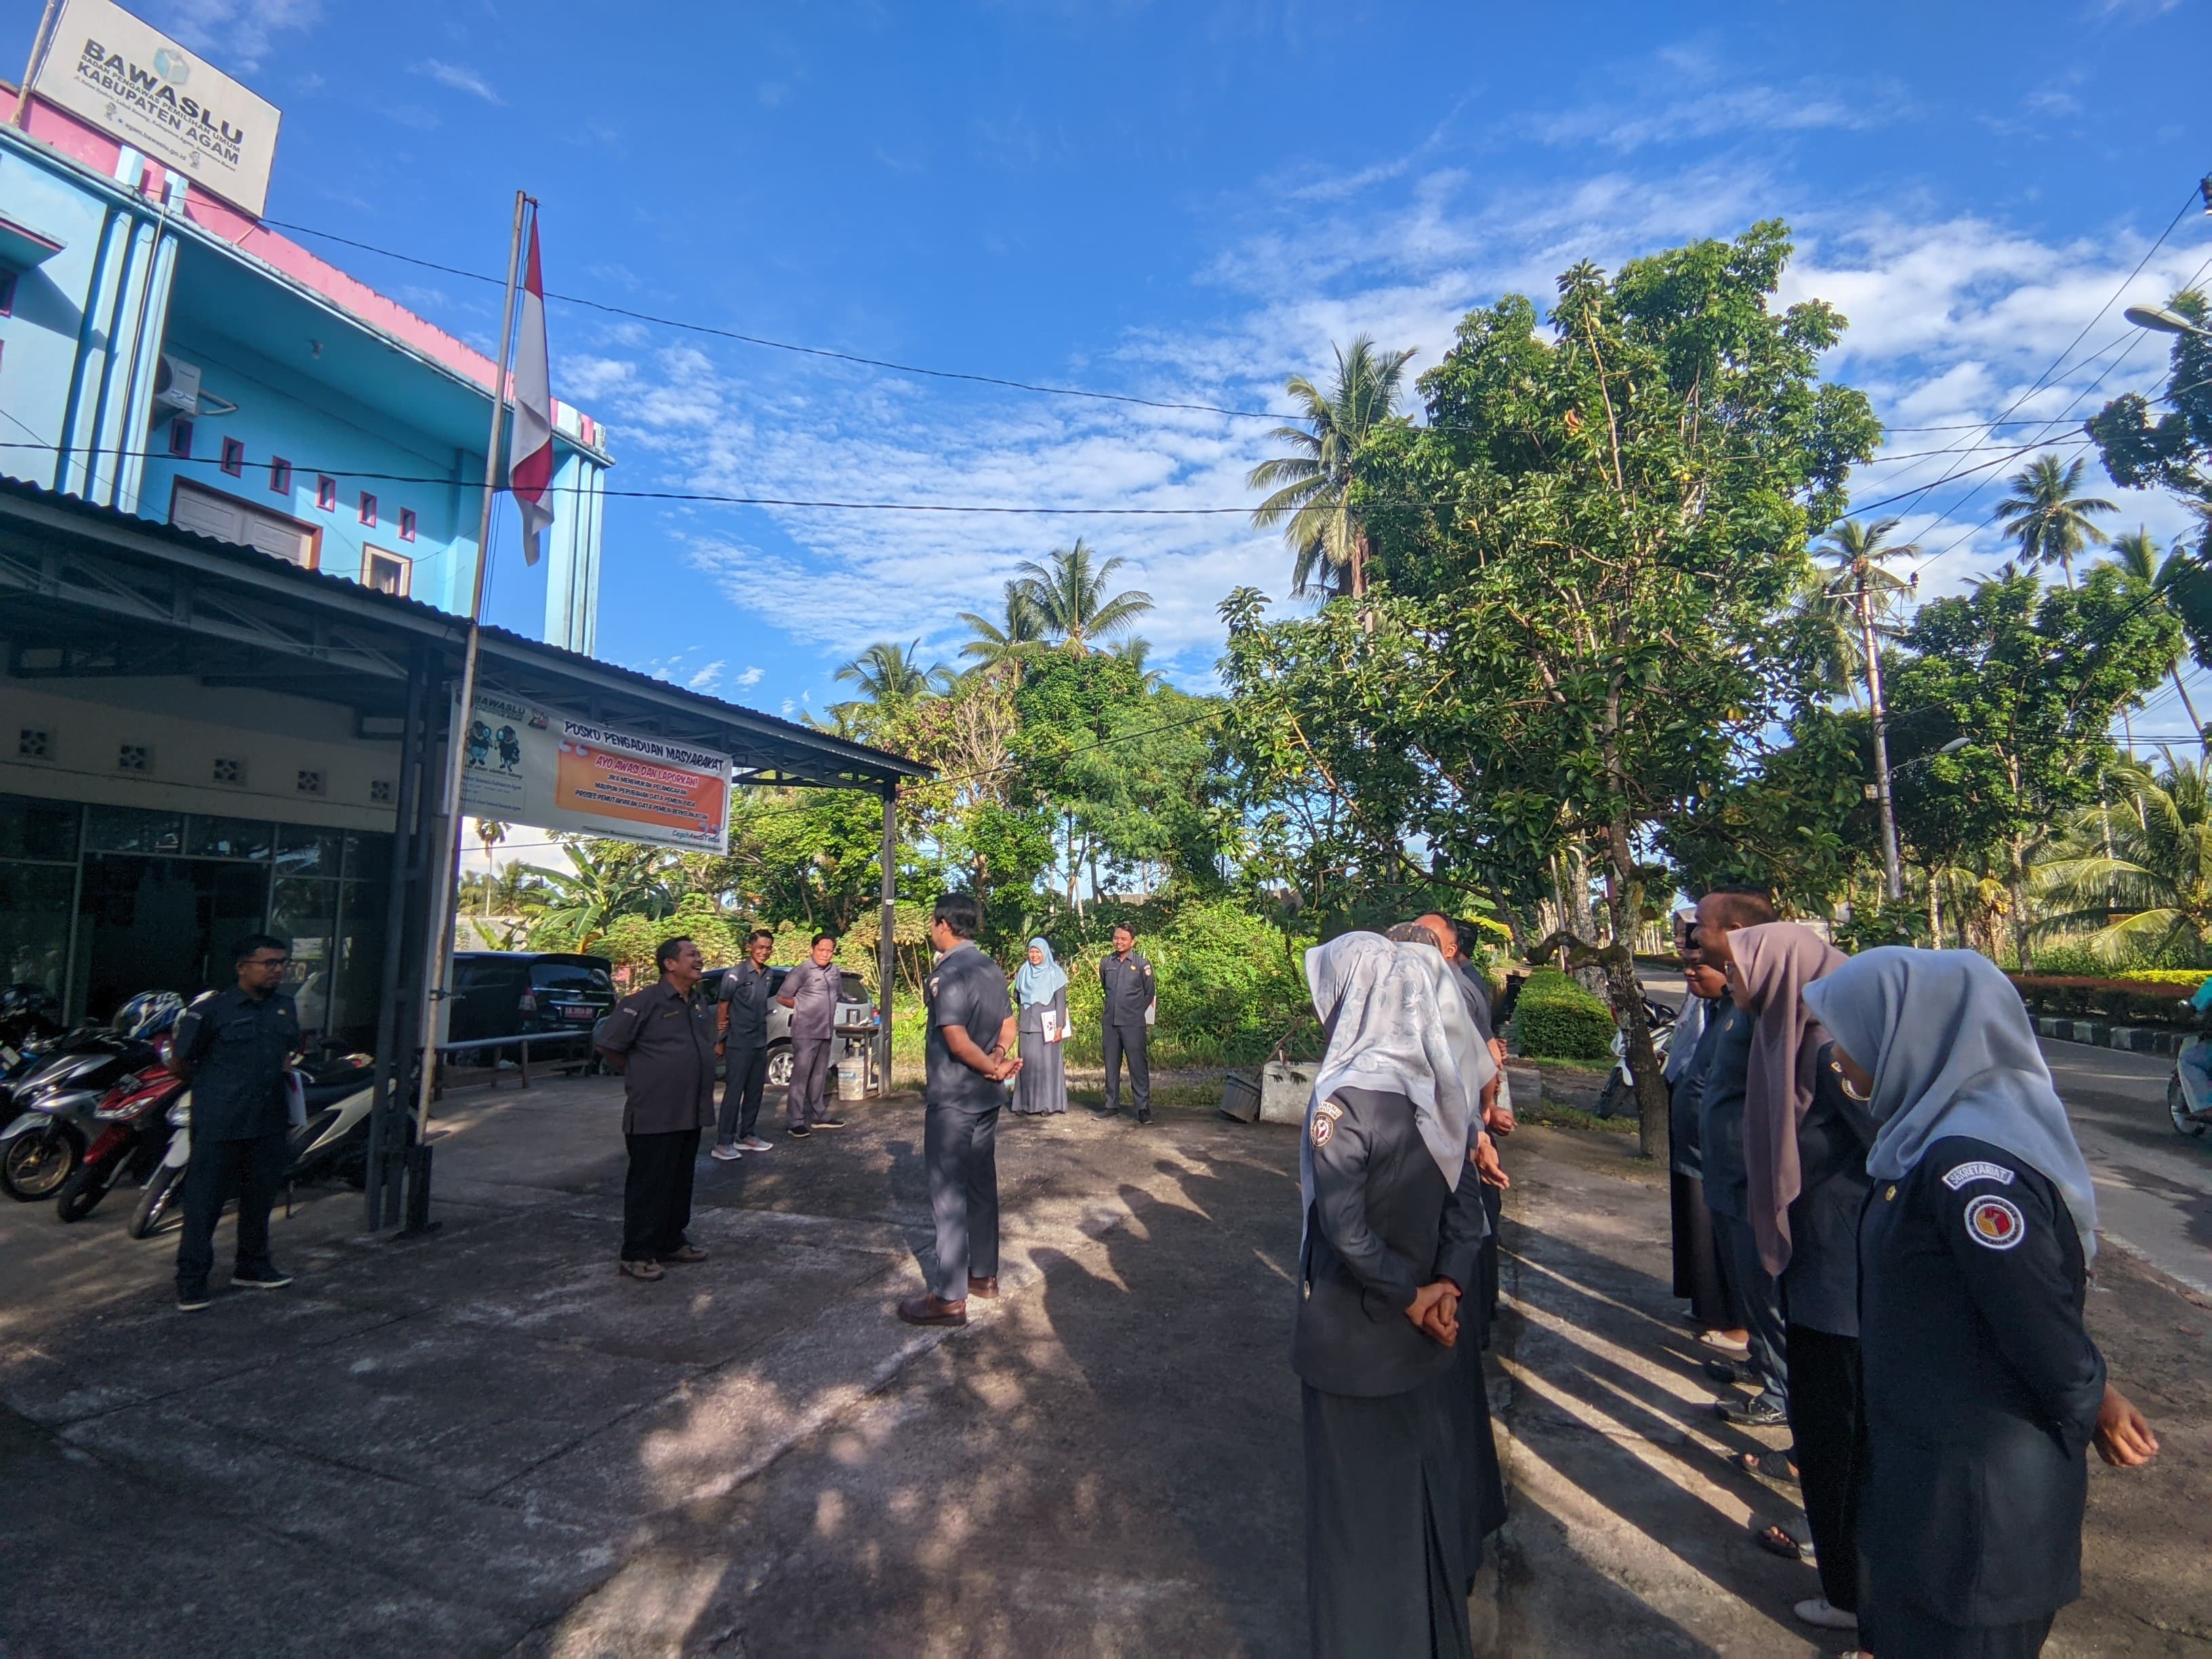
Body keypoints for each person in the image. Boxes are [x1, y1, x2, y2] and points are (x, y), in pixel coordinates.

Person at [1803, 948, 2161, 1659]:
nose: (1837, 1057)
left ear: (1915, 1037)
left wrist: (2093, 1398)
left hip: (1976, 1515)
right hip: (1932, 1482)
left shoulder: (1971, 1171)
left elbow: (2039, 1323)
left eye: (1852, 1037)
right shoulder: (1923, 1144)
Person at [1296, 932, 1495, 1659]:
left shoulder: (1343, 1103)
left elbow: (1344, 1230)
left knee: (1356, 1526)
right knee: (1417, 1500)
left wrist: (1411, 1297)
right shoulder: (1441, 1094)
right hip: (1427, 1341)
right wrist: (1447, 1290)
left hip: (1356, 1342)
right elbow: (1467, 1215)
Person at [1727, 919, 1857, 1622]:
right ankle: (1840, 1564)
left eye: (1740, 966)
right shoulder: (1785, 1033)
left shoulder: (1831, 1046)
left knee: (1842, 1425)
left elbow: (1885, 1150)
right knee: (1822, 1419)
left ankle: (1855, 1586)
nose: (1731, 978)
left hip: (1841, 1268)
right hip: (1813, 1256)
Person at [1690, 886, 1790, 1428]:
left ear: (1733, 933)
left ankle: (1782, 1393)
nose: (1694, 935)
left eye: (1702, 925)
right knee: (1747, 1282)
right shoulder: (1736, 995)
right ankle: (1764, 1364)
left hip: (1753, 1173)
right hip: (1728, 1170)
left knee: (1767, 1286)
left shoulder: (1765, 999)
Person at [899, 894, 1021, 1327]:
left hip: (954, 1099)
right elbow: (1008, 1024)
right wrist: (999, 1060)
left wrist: (989, 1066)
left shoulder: (947, 974)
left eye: (933, 923)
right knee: (982, 1184)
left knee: (948, 1193)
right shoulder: (990, 968)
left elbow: (955, 1039)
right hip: (986, 1099)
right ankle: (984, 1276)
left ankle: (949, 1297)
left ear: (943, 924)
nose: (932, 930)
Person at [169, 934, 302, 1311]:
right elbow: (180, 1064)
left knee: (259, 1199)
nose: (278, 970)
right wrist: (218, 1089)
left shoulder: (285, 1008)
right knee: (204, 1204)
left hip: (268, 1121)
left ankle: (252, 1266)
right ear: (243, 967)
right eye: (269, 963)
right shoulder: (211, 1011)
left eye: (282, 963)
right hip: (221, 1122)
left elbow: (287, 1055)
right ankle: (192, 1282)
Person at [595, 936, 716, 1282]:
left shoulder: (696, 1001)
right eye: (691, 955)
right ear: (670, 964)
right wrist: (642, 1073)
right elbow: (608, 1045)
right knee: (650, 1183)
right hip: (654, 1111)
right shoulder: (644, 1001)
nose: (699, 959)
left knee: (680, 1180)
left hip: (689, 1109)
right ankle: (636, 1253)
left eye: (699, 954)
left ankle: (670, 1241)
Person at [1667, 930, 1739, 1337]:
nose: (1690, 972)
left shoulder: (1740, 1013)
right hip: (1695, 1145)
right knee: (1698, 1235)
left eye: (1699, 965)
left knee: (1723, 1240)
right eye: (1686, 965)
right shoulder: (1713, 1008)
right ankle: (1707, 1305)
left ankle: (1735, 1322)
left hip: (1717, 1153)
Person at [712, 927, 778, 1161]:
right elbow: (723, 1006)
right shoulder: (735, 974)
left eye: (768, 948)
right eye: (760, 947)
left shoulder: (768, 974)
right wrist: (721, 1039)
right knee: (734, 1092)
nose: (764, 952)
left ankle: (747, 1135)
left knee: (755, 1091)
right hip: (738, 1042)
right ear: (750, 947)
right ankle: (724, 1142)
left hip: (759, 1041)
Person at [776, 932, 845, 1138]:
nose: (825, 954)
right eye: (821, 950)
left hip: (826, 1030)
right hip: (805, 1032)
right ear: (812, 949)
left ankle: (819, 1116)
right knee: (801, 1077)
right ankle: (795, 1121)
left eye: (829, 951)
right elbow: (782, 997)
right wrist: (802, 1007)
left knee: (819, 1075)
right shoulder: (801, 971)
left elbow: (838, 994)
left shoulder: (834, 971)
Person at [1097, 922, 1155, 1124]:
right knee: (1111, 1065)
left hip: (1133, 1023)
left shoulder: (1142, 965)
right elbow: (1105, 987)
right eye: (1116, 938)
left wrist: (1135, 1012)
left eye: (1123, 939)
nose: (1119, 942)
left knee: (1137, 1065)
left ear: (1133, 942)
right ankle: (1111, 1105)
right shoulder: (1106, 963)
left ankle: (1143, 1108)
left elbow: (1149, 993)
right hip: (1111, 1022)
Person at [1010, 937, 1069, 1117]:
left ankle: (1048, 1105)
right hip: (1027, 1027)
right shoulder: (1024, 971)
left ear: (1045, 953)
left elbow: (1061, 1002)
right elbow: (1017, 996)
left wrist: (1059, 1027)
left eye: (1038, 952)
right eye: (1032, 951)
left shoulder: (1055, 973)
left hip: (1048, 1028)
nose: (1034, 955)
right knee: (1026, 1065)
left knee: (1047, 1066)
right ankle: (1025, 1104)